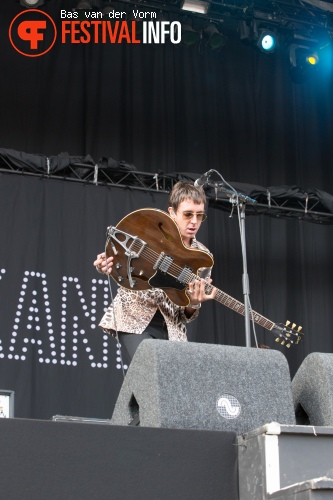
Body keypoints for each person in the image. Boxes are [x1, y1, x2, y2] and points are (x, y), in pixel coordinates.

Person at [93, 181, 216, 366]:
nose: (194, 222)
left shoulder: (203, 256)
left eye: (200, 216)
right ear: (172, 212)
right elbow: (116, 255)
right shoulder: (150, 231)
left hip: (172, 327)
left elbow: (185, 313)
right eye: (188, 214)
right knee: (149, 372)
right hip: (135, 315)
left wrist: (195, 303)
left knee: (165, 388)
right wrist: (104, 265)